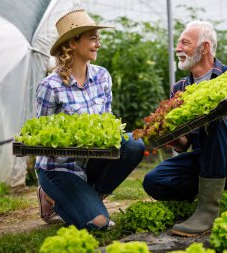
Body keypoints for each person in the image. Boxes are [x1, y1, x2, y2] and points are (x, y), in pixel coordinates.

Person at [143, 21, 227, 237]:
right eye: (178, 43)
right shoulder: (179, 88)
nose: (178, 48)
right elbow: (184, 145)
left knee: (216, 116)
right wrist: (167, 133)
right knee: (154, 181)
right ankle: (214, 192)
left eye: (185, 43)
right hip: (205, 161)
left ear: (205, 48)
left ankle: (207, 211)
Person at [35, 9, 144, 231]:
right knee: (98, 224)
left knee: (133, 144)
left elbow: (106, 124)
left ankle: (89, 198)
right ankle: (50, 195)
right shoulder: (50, 86)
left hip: (92, 162)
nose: (98, 44)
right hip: (60, 167)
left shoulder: (102, 77)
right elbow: (41, 141)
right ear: (73, 43)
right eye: (93, 38)